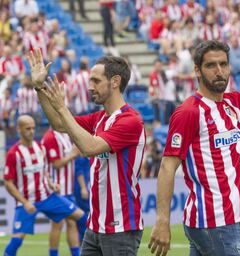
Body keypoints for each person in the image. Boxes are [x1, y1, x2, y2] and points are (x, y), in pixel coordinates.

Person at [148, 23, 240, 256]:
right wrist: (162, 221)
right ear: (197, 70)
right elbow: (167, 167)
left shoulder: (233, 103)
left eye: (223, 64)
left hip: (219, 220)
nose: (219, 71)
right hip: (214, 220)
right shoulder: (189, 112)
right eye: (211, 65)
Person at [27, 49, 145, 255]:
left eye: (96, 81)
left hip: (121, 226)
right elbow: (58, 124)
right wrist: (39, 87)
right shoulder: (98, 118)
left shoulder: (130, 121)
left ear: (115, 81)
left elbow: (89, 148)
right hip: (95, 225)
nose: (90, 87)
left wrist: (62, 108)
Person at [3, 115, 87, 256]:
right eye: (27, 128)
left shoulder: (39, 147)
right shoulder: (13, 154)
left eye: (33, 128)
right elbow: (7, 182)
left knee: (81, 217)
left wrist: (50, 183)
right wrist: (24, 202)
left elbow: (44, 170)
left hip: (47, 197)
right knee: (17, 240)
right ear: (19, 129)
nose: (31, 131)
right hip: (26, 202)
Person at [41, 128, 81, 256]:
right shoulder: (50, 137)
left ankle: (75, 253)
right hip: (57, 188)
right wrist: (74, 154)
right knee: (58, 223)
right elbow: (56, 164)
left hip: (68, 189)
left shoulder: (64, 134)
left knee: (71, 222)